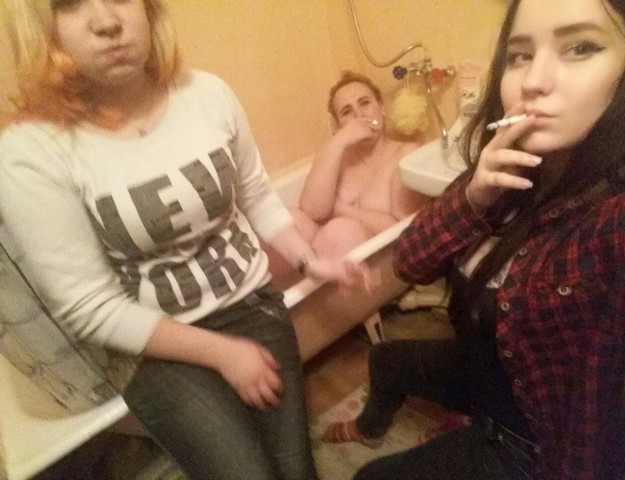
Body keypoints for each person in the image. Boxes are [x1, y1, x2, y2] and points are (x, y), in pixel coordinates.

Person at [0, 1, 369, 479]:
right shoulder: (30, 151)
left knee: (295, 469)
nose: (107, 21)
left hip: (253, 307)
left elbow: (256, 195)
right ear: (41, 25)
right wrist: (224, 353)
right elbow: (90, 306)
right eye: (70, 3)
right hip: (152, 346)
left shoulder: (207, 94)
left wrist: (310, 260)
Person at [322, 0, 625, 478]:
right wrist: (473, 197)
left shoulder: (622, 216)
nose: (533, 81)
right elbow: (409, 261)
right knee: (385, 359)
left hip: (534, 443)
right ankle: (374, 427)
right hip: (489, 369)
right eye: (519, 55)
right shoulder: (503, 172)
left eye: (580, 47)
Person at [268, 71, 425, 277]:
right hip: (326, 252)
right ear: (338, 125)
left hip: (378, 260)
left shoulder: (405, 154)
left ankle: (314, 291)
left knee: (342, 231)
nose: (359, 116)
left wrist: (337, 209)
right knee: (290, 218)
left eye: (365, 103)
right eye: (346, 112)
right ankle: (283, 292)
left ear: (382, 108)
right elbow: (312, 211)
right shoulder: (335, 154)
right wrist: (340, 140)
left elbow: (403, 227)